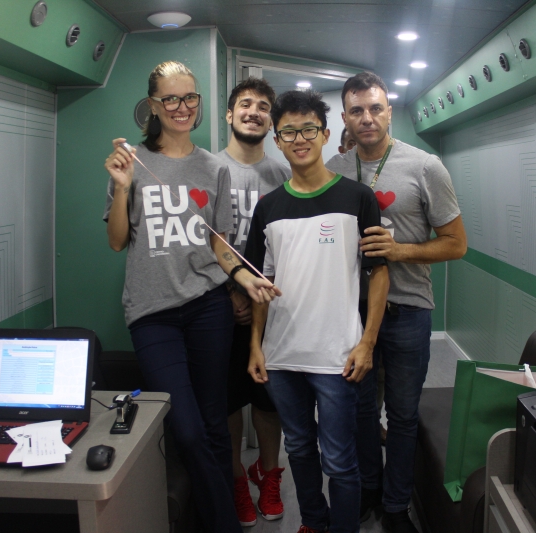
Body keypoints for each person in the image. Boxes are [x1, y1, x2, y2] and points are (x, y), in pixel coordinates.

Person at [103, 60, 279, 533]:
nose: (182, 107)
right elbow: (117, 241)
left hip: (207, 307)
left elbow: (219, 245)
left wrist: (244, 279)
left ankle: (214, 519)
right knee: (186, 427)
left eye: (190, 98)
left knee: (215, 422)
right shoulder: (131, 161)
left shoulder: (213, 167)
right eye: (171, 99)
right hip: (152, 312)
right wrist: (121, 189)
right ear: (153, 105)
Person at [326, 71, 467, 533]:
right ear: (345, 117)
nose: (367, 118)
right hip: (354, 313)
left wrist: (399, 250)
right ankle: (369, 489)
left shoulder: (426, 167)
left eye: (375, 108)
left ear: (389, 112)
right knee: (361, 411)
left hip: (409, 308)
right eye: (356, 110)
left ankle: (395, 505)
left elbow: (456, 244)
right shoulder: (334, 169)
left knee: (403, 416)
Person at [246, 90, 390, 533]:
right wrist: (255, 346)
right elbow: (260, 284)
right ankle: (312, 521)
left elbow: (379, 274)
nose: (299, 139)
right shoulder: (268, 208)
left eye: (309, 129)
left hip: (337, 356)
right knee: (300, 449)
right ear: (277, 140)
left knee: (341, 459)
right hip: (282, 356)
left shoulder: (357, 197)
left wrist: (367, 343)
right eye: (288, 132)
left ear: (326, 135)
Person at [217, 77, 291, 527]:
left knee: (269, 402)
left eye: (264, 106)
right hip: (221, 308)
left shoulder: (284, 174)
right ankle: (236, 482)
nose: (254, 112)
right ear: (230, 114)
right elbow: (198, 242)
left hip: (272, 310)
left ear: (271, 120)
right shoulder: (209, 168)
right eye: (246, 104)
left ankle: (268, 474)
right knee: (228, 403)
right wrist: (231, 293)